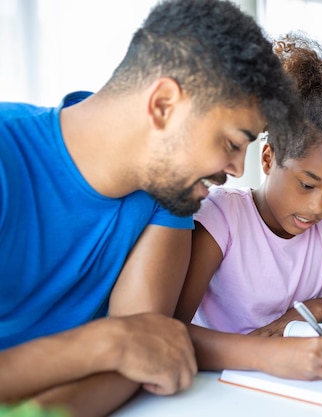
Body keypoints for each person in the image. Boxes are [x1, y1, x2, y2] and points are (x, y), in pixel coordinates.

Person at [0, 0, 304, 415]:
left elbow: (147, 354)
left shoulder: (170, 189)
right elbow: (129, 343)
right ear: (163, 105)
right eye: (233, 143)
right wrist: (108, 343)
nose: (236, 169)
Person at [174, 35, 322, 377]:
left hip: (299, 377)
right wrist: (265, 354)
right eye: (307, 184)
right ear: (269, 159)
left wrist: (306, 312)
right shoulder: (222, 218)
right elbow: (171, 331)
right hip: (222, 382)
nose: (318, 207)